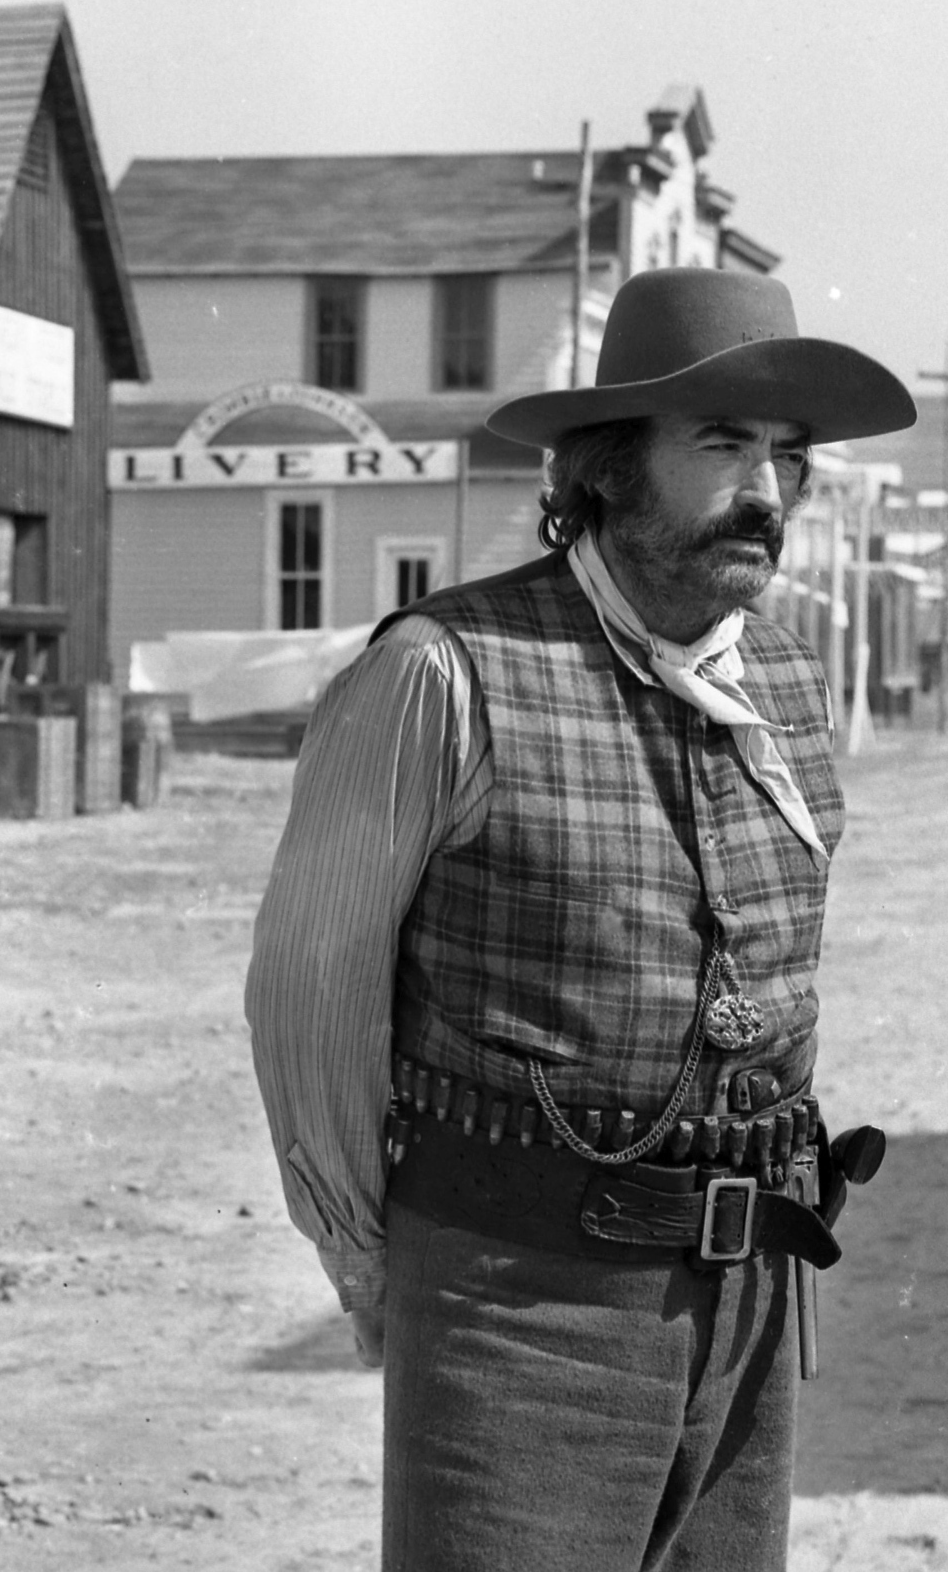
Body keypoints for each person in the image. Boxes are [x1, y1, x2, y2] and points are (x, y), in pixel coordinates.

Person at [245, 267, 914, 1572]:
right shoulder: (441, 673)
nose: (768, 494)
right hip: (520, 1313)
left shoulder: (781, 674)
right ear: (608, 468)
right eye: (724, 445)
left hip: (752, 1319)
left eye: (784, 456)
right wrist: (371, 1271)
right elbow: (310, 992)